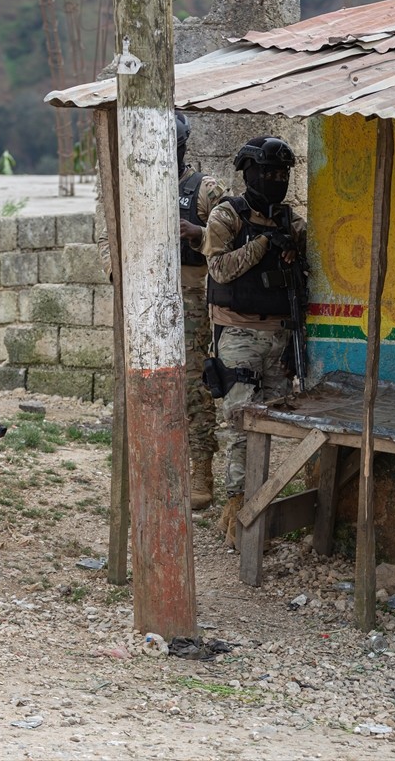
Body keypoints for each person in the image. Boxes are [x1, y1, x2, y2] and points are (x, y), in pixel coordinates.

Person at [96, 111, 226, 511]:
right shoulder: (129, 184)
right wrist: (120, 273)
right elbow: (107, 235)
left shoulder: (204, 189)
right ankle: (152, 468)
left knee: (190, 385)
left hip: (187, 298)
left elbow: (230, 240)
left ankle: (200, 471)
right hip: (141, 296)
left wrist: (199, 235)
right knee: (143, 385)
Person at [201, 136, 306, 548]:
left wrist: (289, 252)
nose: (276, 180)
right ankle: (238, 518)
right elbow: (221, 270)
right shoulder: (228, 215)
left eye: (283, 174)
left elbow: (302, 280)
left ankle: (256, 516)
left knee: (271, 431)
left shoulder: (290, 222)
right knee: (243, 428)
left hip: (279, 336)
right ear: (250, 173)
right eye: (269, 173)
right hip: (238, 334)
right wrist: (264, 244)